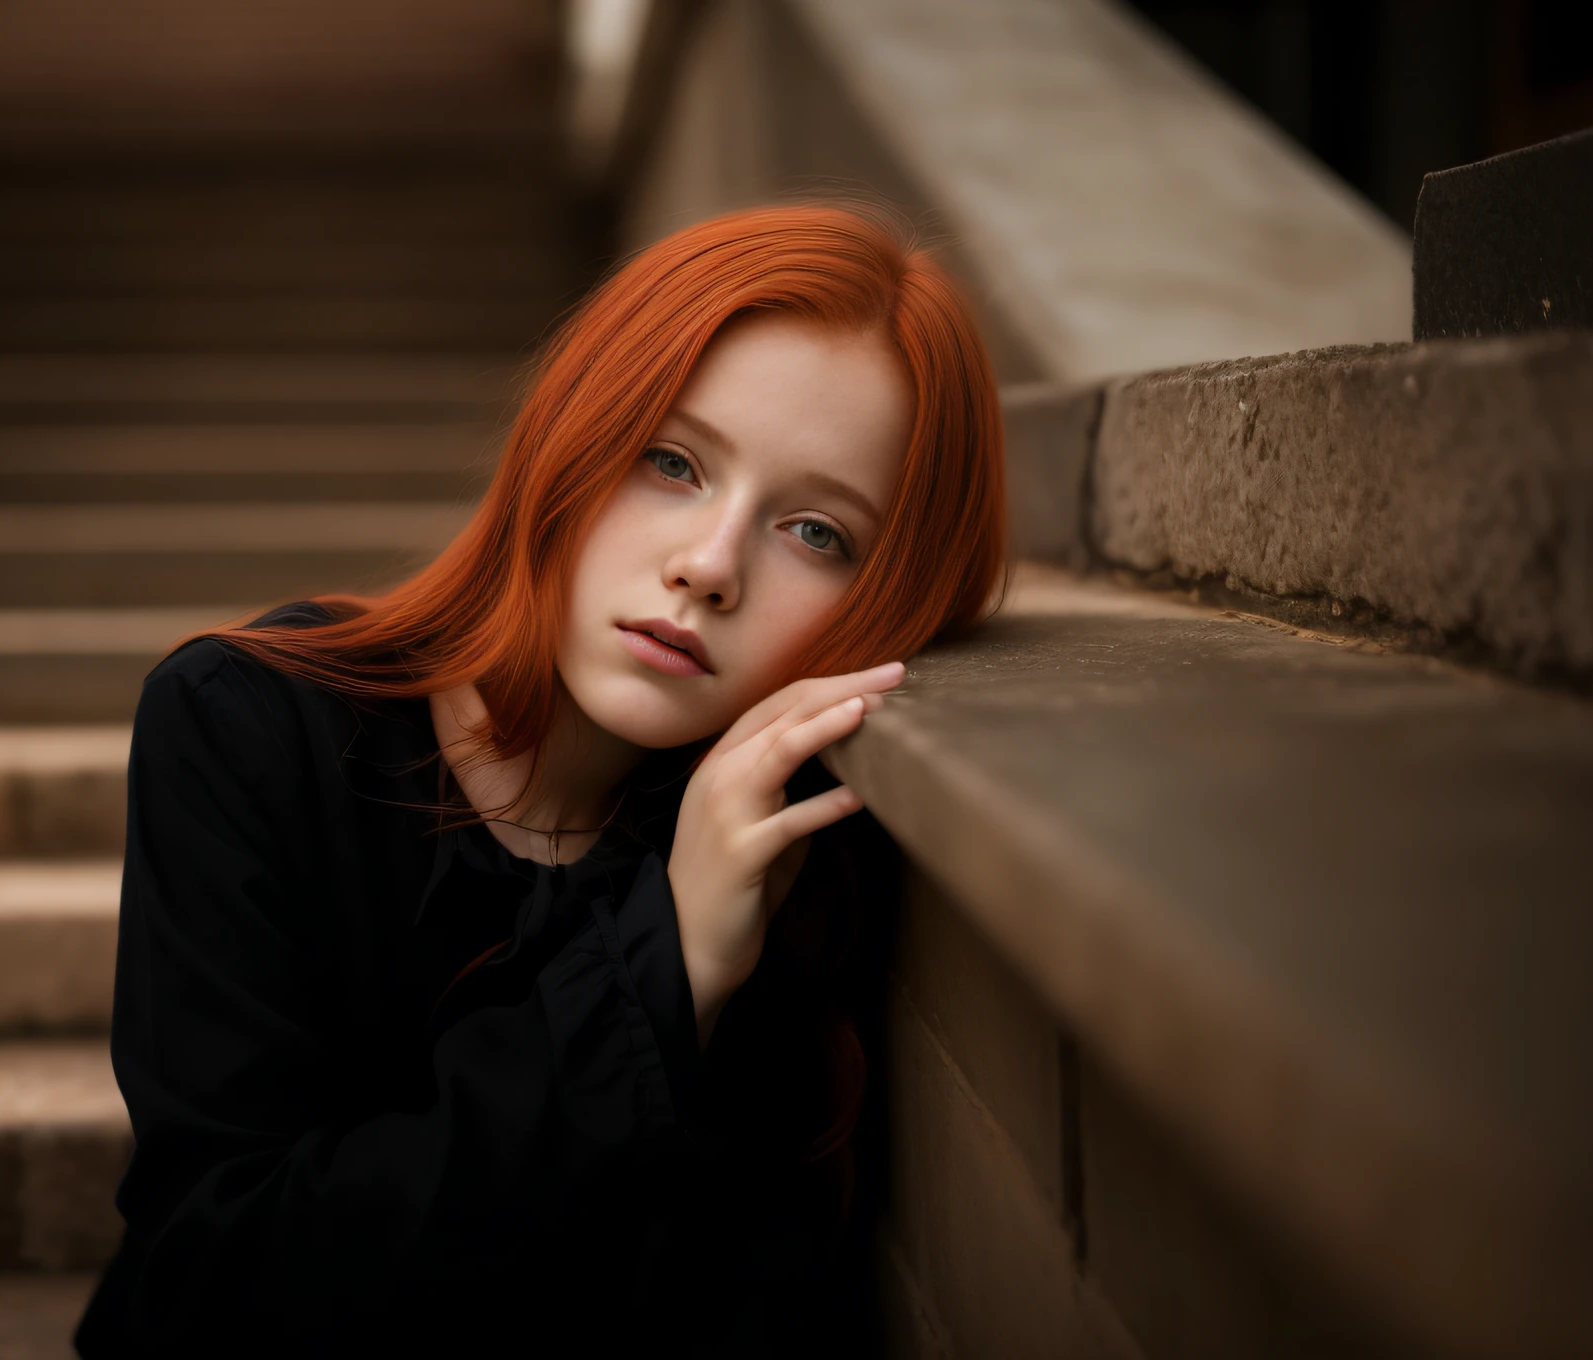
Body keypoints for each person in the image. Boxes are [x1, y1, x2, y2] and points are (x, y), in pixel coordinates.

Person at [73, 204, 1007, 1356]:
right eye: (671, 461)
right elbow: (216, 1284)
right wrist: (664, 967)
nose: (708, 567)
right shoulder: (251, 726)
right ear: (573, 435)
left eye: (815, 532)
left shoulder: (793, 840)